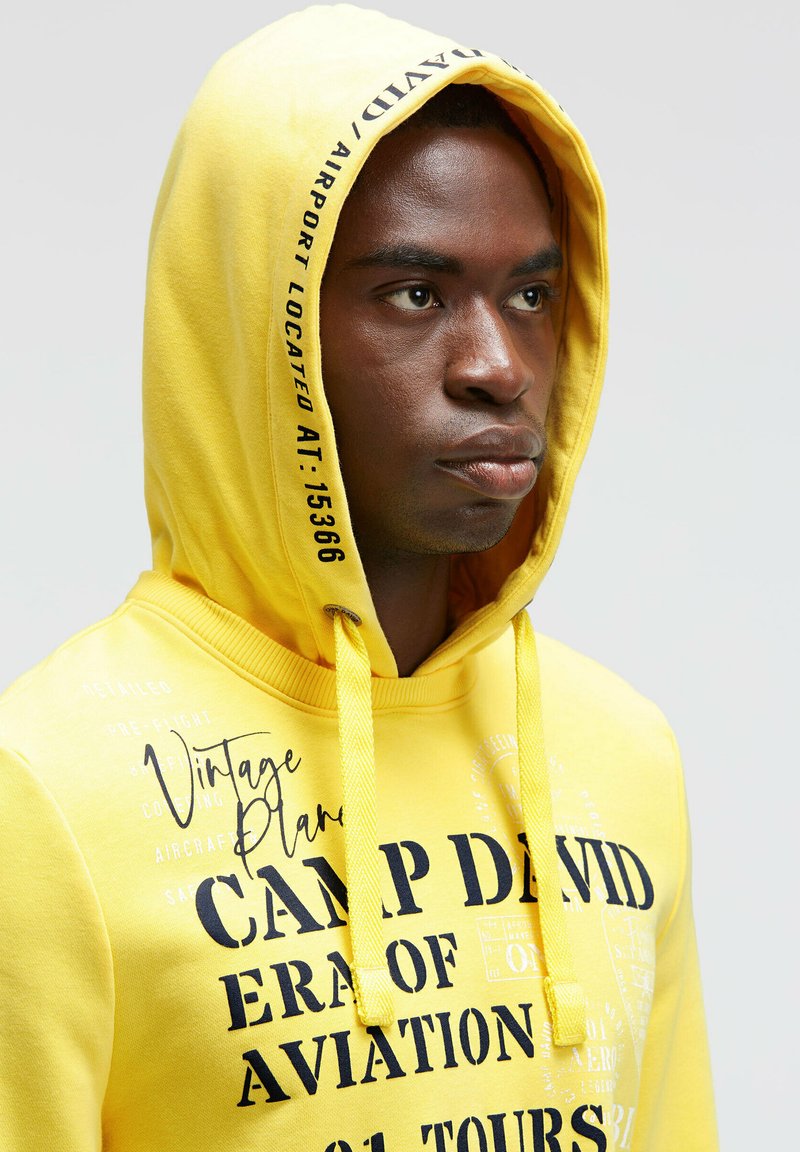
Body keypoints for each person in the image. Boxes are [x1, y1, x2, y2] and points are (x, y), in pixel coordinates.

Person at [0, 6, 716, 1150]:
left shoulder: (619, 754)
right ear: (254, 331)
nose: (497, 367)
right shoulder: (44, 790)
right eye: (415, 295)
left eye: (531, 296)